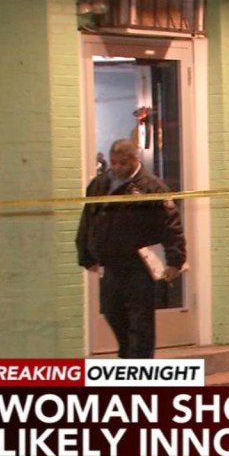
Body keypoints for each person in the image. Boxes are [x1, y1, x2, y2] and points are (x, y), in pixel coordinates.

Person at [76, 138, 186, 358]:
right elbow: (88, 219)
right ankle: (128, 353)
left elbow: (171, 225)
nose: (117, 167)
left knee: (141, 321)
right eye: (114, 162)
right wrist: (86, 254)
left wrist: (175, 260)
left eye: (122, 163)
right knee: (111, 311)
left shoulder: (152, 187)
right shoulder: (99, 185)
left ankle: (139, 364)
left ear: (135, 159)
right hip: (111, 264)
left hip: (139, 265)